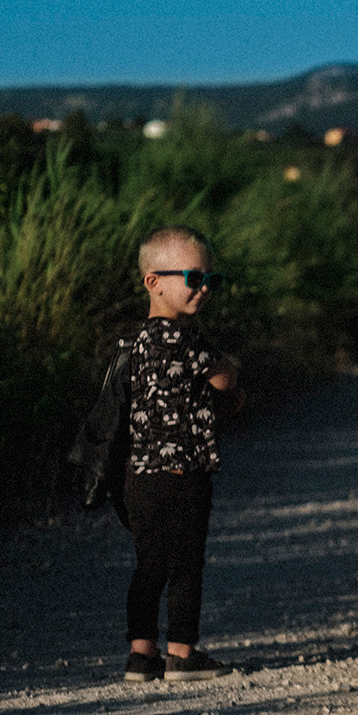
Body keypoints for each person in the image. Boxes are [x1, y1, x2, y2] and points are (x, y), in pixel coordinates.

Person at [121, 226, 244, 683]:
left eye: (212, 279)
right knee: (187, 564)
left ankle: (140, 654)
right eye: (194, 278)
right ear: (154, 280)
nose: (204, 289)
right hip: (185, 474)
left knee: (149, 563)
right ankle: (181, 653)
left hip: (142, 476)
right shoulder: (187, 341)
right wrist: (230, 374)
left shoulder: (135, 344)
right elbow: (225, 378)